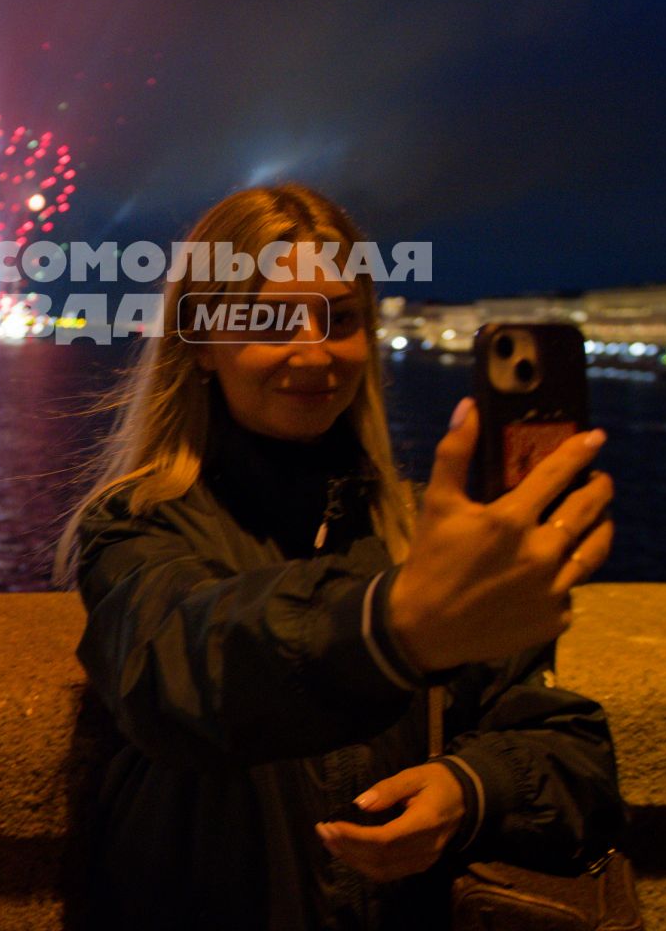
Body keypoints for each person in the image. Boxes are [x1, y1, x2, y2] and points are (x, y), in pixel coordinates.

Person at [53, 183, 625, 930]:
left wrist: (470, 788)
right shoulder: (137, 526)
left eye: (340, 319)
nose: (315, 353)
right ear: (199, 345)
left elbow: (571, 750)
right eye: (270, 320)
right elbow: (180, 669)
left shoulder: (419, 534)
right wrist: (394, 627)